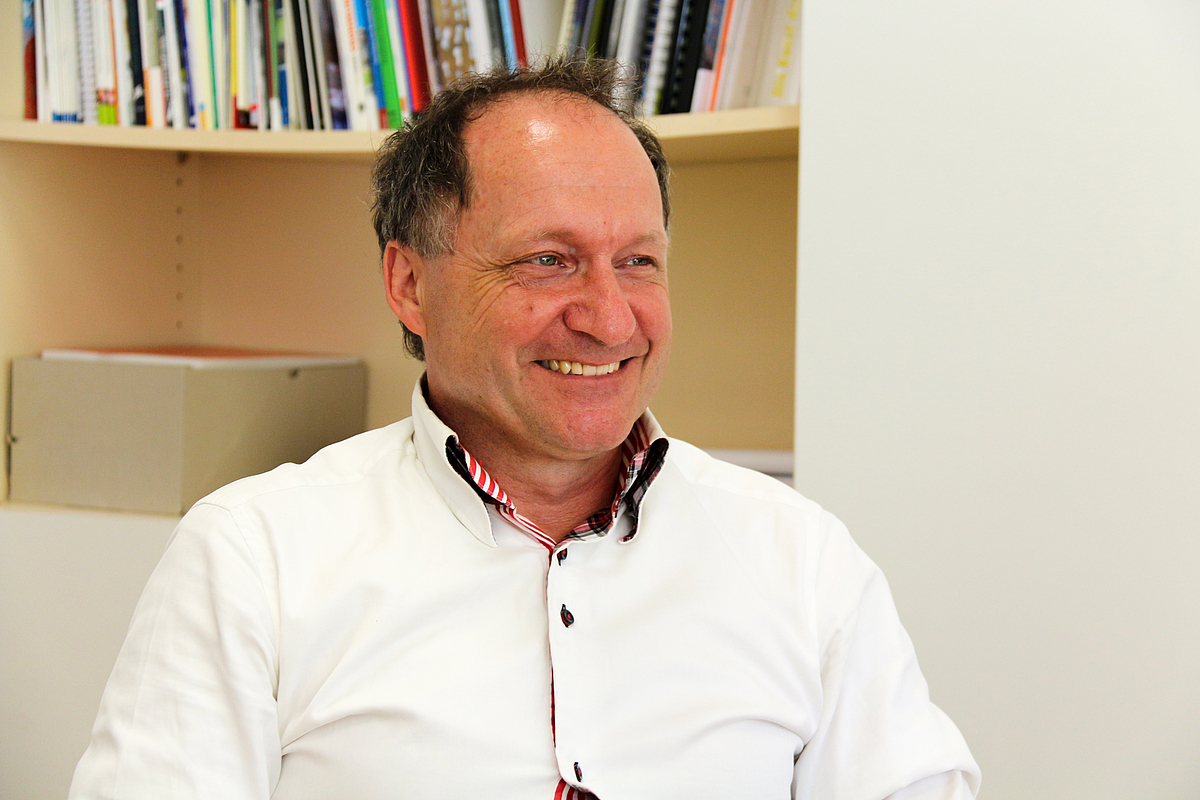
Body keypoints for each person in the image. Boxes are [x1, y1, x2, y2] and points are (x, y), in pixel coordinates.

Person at [69, 58, 980, 800]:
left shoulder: (802, 560)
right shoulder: (252, 559)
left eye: (638, 261)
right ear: (409, 284)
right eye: (548, 260)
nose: (610, 319)